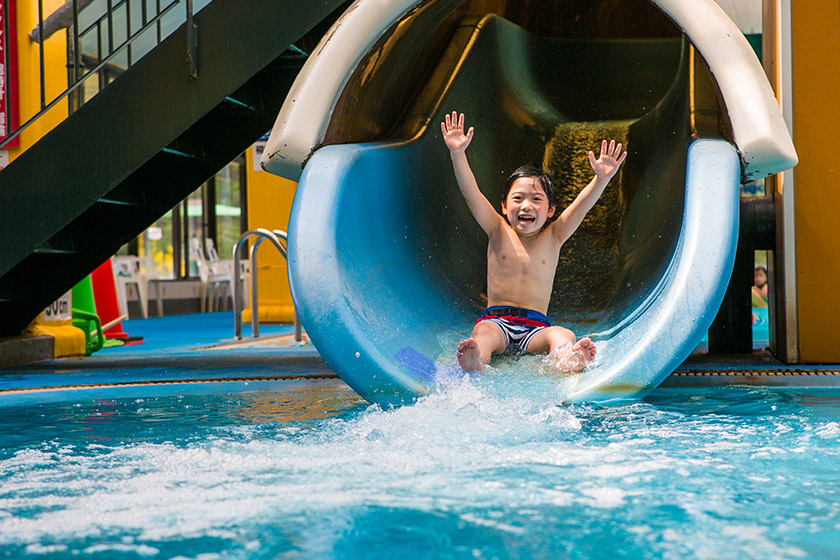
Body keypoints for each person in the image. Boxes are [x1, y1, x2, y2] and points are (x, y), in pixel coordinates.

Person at [440, 111, 627, 373]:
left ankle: (568, 360)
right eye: (518, 199)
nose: (526, 205)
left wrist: (602, 178)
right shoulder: (497, 229)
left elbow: (581, 208)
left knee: (562, 334)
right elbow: (471, 195)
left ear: (550, 210)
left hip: (536, 329)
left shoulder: (554, 236)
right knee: (482, 333)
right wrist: (457, 153)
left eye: (536, 199)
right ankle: (476, 359)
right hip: (498, 322)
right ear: (504, 206)